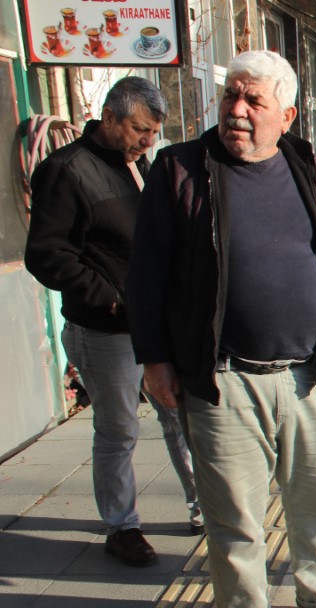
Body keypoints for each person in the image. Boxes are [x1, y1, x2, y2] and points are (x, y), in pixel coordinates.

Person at [127, 50, 316, 608]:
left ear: (284, 114)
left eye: (253, 101)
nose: (236, 110)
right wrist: (155, 361)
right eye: (231, 96)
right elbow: (145, 273)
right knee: (235, 513)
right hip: (224, 375)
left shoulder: (306, 162)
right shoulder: (180, 169)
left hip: (312, 375)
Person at [25, 76, 201, 569]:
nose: (148, 141)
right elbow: (46, 254)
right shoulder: (66, 171)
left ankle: (202, 507)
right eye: (140, 129)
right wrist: (109, 299)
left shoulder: (140, 164)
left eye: (153, 132)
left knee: (180, 417)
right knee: (119, 430)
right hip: (106, 329)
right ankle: (122, 527)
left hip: (156, 324)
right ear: (110, 118)